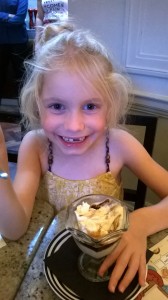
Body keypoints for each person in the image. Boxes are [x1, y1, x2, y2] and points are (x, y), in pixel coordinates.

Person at [0, 22, 168, 294]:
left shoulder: (119, 144)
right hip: (47, 266)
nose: (74, 126)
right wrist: (1, 171)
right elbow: (14, 228)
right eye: (57, 106)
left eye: (90, 106)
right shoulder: (37, 145)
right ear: (37, 103)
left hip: (107, 262)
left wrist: (139, 224)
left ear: (110, 103)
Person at [0, 0, 29, 101]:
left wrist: (2, 16)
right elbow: (15, 19)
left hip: (19, 42)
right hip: (1, 42)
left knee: (22, 80)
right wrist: (9, 16)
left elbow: (20, 19)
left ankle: (25, 115)